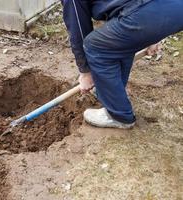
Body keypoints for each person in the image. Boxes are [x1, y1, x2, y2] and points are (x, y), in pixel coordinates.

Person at [62, 0, 183, 129]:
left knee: (95, 46)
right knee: (115, 40)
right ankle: (112, 91)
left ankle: (118, 115)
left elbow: (78, 29)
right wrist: (152, 36)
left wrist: (86, 73)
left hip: (146, 12)